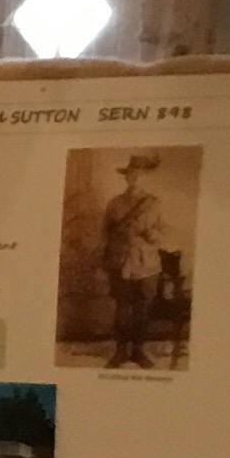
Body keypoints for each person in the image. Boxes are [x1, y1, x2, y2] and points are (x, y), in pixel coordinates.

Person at [103, 153, 171, 368]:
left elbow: (163, 233)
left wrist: (153, 236)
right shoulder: (114, 204)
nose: (135, 178)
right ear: (127, 177)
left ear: (145, 178)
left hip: (147, 264)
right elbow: (105, 233)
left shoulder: (154, 203)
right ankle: (121, 351)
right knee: (122, 307)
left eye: (140, 174)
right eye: (132, 174)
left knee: (143, 309)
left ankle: (139, 351)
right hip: (121, 262)